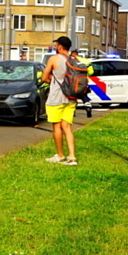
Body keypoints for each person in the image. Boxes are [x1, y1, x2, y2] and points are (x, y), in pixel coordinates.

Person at [41, 36, 78, 165]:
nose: (56, 47)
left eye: (56, 45)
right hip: (71, 97)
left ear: (60, 46)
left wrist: (51, 78)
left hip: (56, 98)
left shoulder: (54, 59)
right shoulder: (74, 60)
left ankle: (60, 155)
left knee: (57, 126)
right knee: (67, 127)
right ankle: (72, 157)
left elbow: (44, 78)